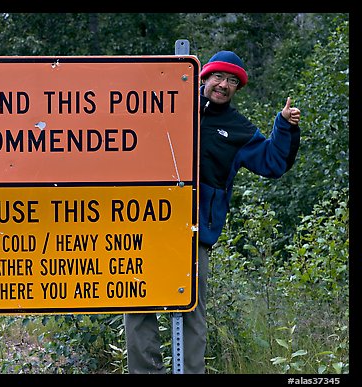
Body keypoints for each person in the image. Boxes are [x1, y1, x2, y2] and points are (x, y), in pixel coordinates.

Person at [124, 50, 301, 374]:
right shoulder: (168, 106)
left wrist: (284, 126)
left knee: (193, 310)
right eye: (219, 77)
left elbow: (273, 162)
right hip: (148, 224)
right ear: (202, 77)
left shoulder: (239, 129)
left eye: (233, 81)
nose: (224, 85)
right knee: (137, 301)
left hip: (196, 233)